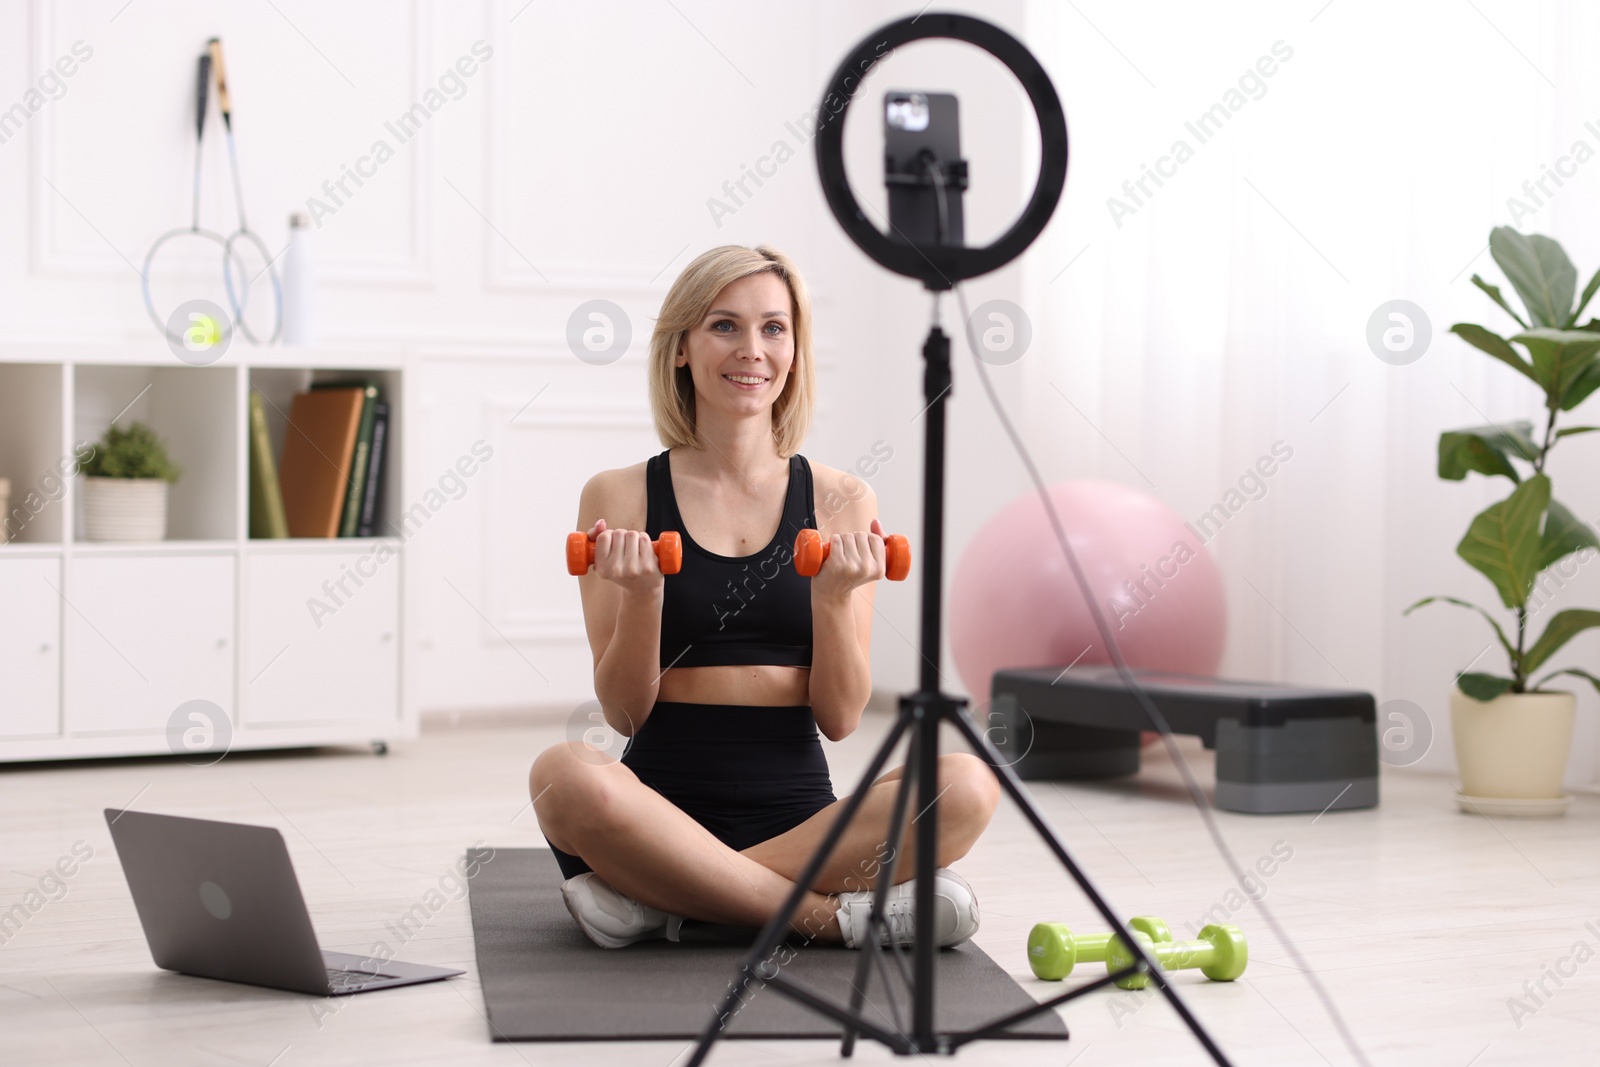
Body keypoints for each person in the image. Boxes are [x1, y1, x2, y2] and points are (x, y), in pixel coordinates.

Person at [529, 244, 999, 950]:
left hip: (801, 820)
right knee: (561, 775)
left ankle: (664, 896)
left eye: (774, 328)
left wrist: (835, 600)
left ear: (795, 349)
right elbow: (624, 713)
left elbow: (840, 718)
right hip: (653, 808)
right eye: (725, 325)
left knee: (966, 783)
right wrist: (645, 595)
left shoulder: (842, 498)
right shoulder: (618, 495)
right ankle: (832, 918)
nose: (752, 349)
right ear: (682, 348)